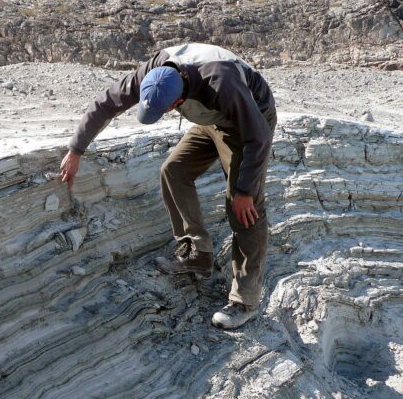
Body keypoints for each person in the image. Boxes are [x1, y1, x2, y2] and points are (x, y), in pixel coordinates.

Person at [60, 43, 277, 330]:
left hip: (250, 121)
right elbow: (105, 103)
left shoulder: (221, 81)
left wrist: (246, 191)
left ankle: (245, 300)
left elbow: (258, 137)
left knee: (242, 208)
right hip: (210, 117)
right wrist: (76, 150)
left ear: (178, 99)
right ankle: (197, 254)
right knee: (173, 171)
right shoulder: (154, 71)